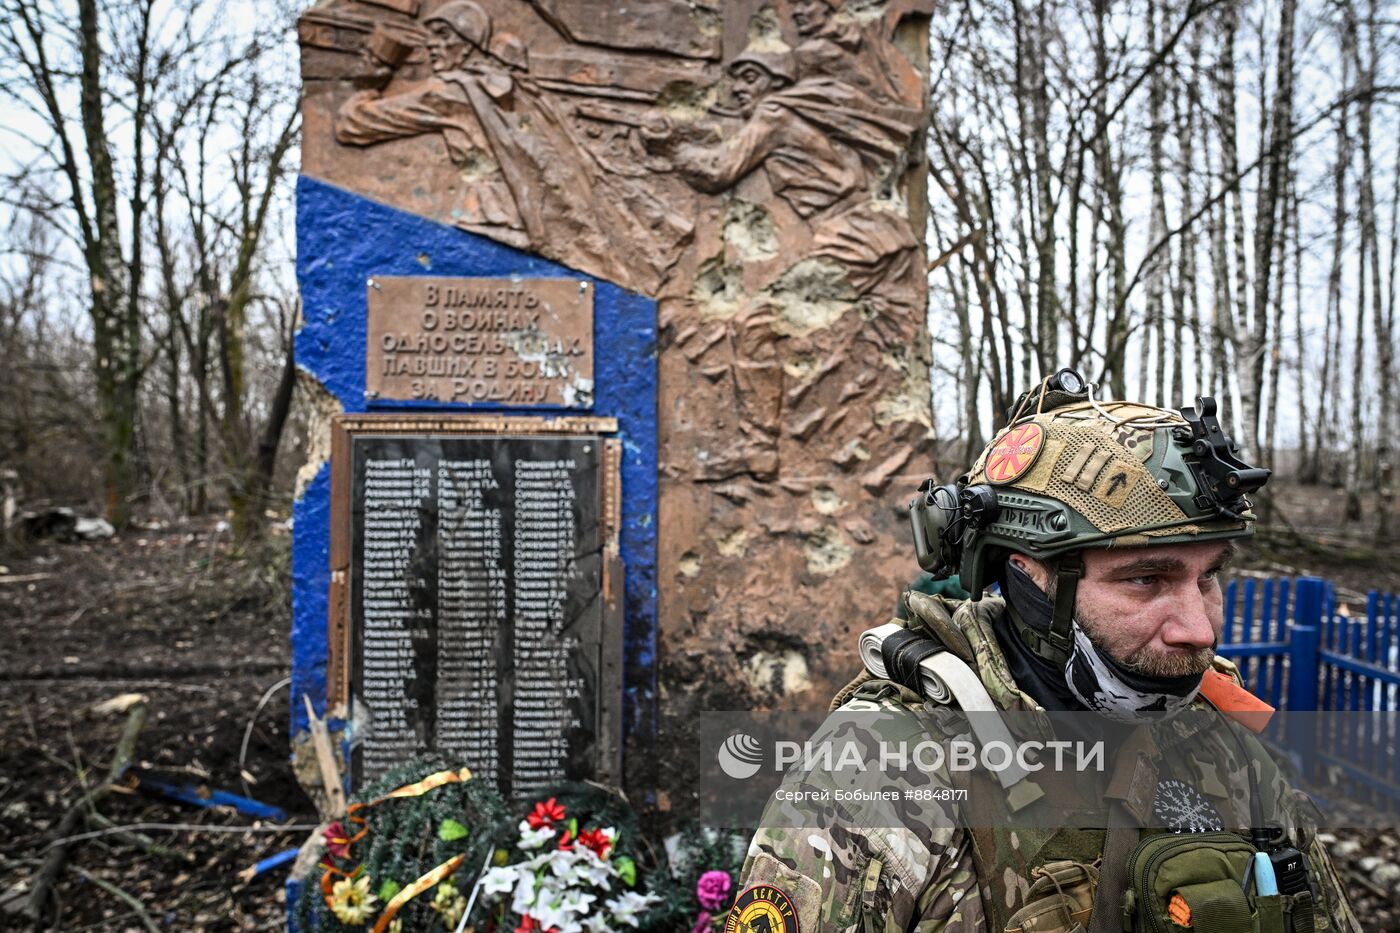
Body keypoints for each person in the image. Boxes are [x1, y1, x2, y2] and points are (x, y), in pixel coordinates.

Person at [727, 373, 1361, 932]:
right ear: (1027, 576)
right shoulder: (883, 770)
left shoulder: (1221, 745)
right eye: (1146, 580)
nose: (1198, 629)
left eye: (1208, 577)